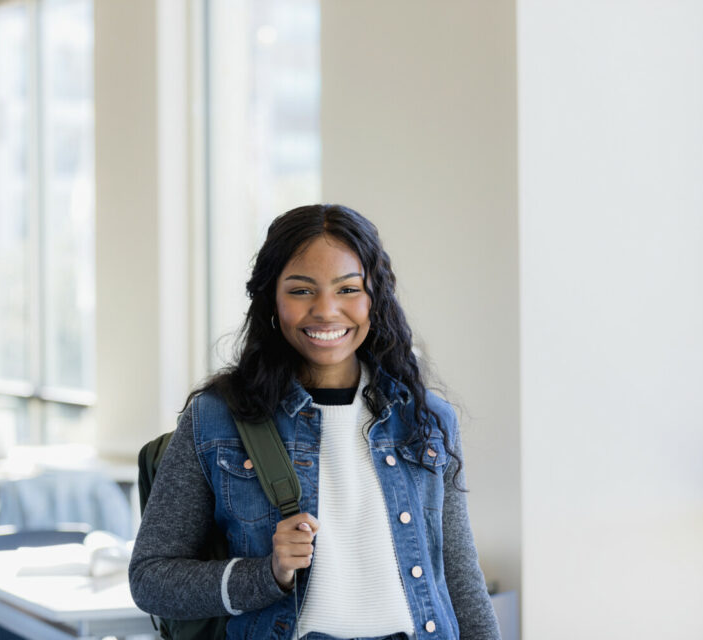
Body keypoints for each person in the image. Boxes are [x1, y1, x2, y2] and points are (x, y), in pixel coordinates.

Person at [129, 204, 501, 640]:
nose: (326, 311)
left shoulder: (428, 417)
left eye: (347, 289)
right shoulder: (216, 419)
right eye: (302, 291)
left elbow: (458, 575)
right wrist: (267, 573)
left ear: (375, 299)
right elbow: (151, 579)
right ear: (271, 299)